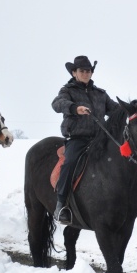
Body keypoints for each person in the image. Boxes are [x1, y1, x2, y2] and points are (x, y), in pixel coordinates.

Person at [52, 55, 119, 224]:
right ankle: (61, 204)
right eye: (82, 71)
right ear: (74, 73)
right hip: (78, 139)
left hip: (100, 139)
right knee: (70, 162)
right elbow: (57, 104)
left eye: (88, 71)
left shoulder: (100, 94)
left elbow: (115, 111)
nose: (86, 73)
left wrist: (131, 111)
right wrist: (74, 108)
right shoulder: (67, 91)